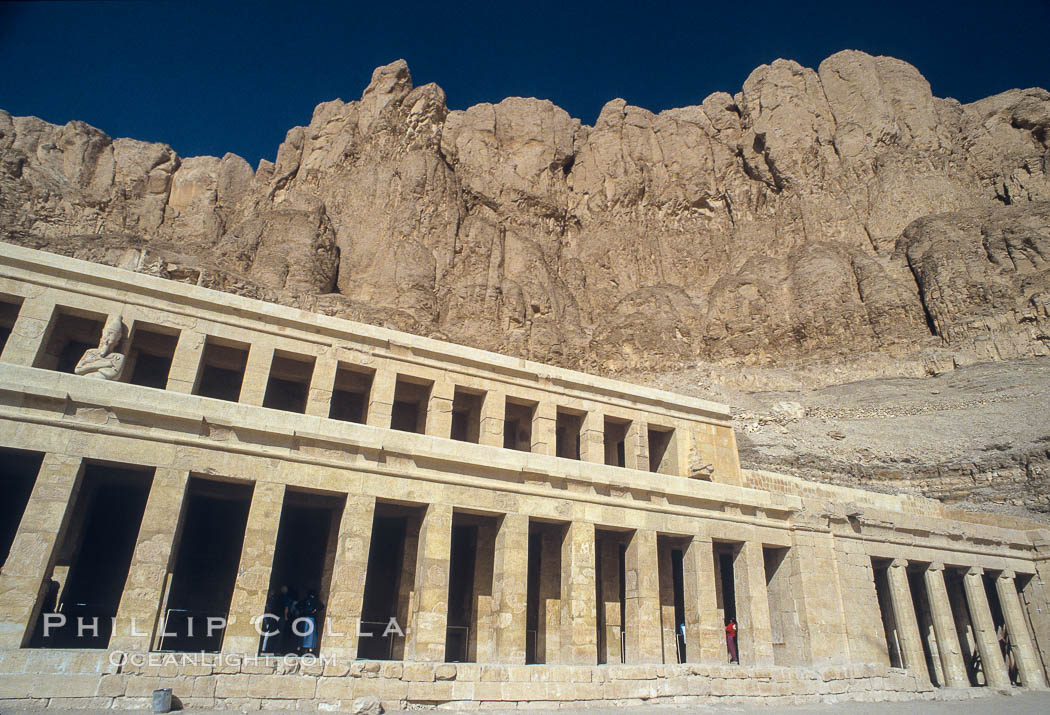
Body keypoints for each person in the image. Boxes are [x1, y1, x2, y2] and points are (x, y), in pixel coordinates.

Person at [74, 314, 126, 381]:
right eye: (105, 337)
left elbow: (111, 374)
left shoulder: (118, 357)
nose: (106, 340)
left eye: (110, 338)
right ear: (101, 338)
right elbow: (78, 370)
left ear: (117, 342)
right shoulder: (90, 352)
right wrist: (104, 364)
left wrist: (89, 366)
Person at [296, 589, 324, 656]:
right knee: (311, 634)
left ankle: (299, 649)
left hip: (304, 618)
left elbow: (297, 606)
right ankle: (310, 650)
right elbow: (321, 607)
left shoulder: (305, 600)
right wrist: (315, 610)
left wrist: (302, 611)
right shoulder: (315, 600)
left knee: (303, 633)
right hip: (311, 618)